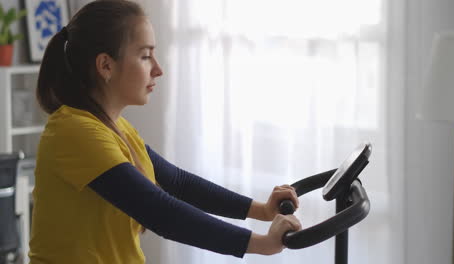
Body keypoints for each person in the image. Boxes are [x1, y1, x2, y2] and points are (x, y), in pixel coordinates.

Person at [29, 0, 302, 263]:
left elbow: (179, 183)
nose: (158, 69)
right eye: (146, 56)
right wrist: (260, 243)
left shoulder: (113, 127)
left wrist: (262, 210)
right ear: (106, 65)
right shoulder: (74, 131)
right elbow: (158, 212)